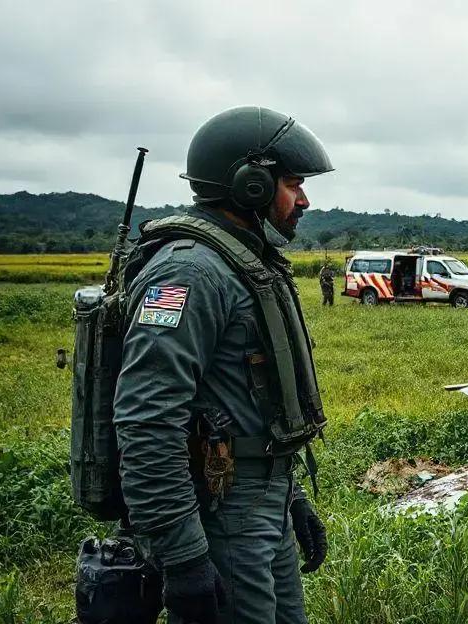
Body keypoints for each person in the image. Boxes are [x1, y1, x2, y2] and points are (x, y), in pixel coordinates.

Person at [115, 106, 330, 623]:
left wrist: (290, 495)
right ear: (251, 183)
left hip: (262, 500)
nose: (303, 199)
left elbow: (245, 402)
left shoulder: (242, 262)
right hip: (220, 512)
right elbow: (147, 422)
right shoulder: (190, 272)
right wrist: (185, 555)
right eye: (293, 183)